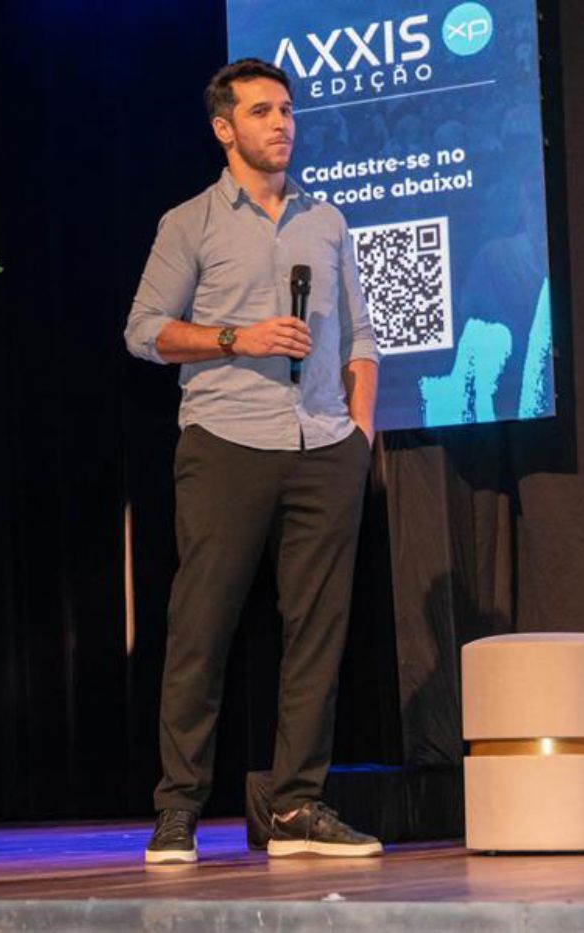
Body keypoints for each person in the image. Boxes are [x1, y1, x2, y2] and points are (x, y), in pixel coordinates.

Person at [123, 58, 381, 863]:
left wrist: (359, 434)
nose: (281, 124)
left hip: (323, 447)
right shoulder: (190, 222)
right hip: (227, 442)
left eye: (287, 111)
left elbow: (361, 337)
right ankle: (178, 809)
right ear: (224, 128)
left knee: (318, 634)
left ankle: (297, 805)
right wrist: (239, 337)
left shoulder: (326, 220)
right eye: (263, 111)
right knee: (202, 629)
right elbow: (144, 331)